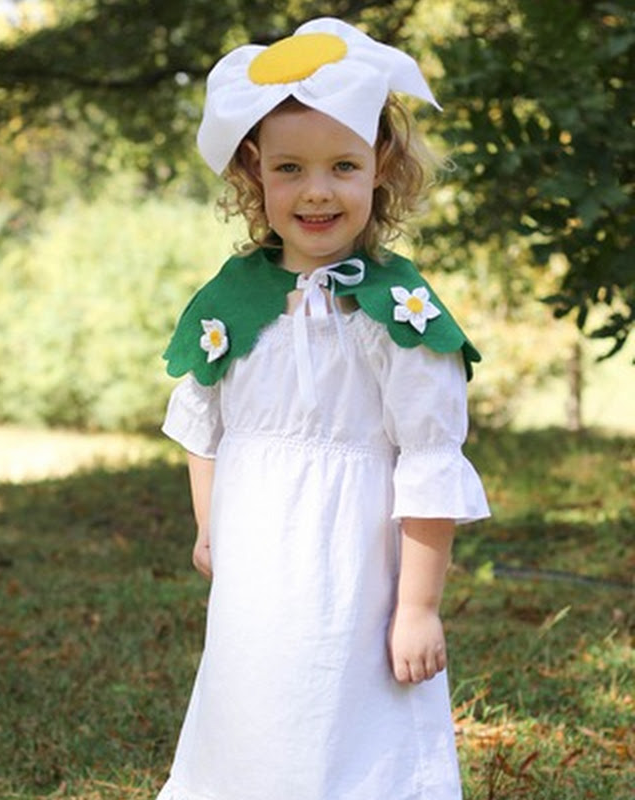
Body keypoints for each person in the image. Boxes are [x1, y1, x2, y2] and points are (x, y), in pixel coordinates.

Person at [157, 17, 490, 800]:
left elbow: (430, 461)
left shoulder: (396, 311)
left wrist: (417, 607)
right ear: (254, 172)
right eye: (290, 167)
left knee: (349, 728)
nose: (316, 190)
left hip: (358, 570)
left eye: (343, 165)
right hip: (258, 573)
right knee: (258, 715)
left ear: (380, 169)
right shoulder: (233, 300)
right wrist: (210, 527)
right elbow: (204, 424)